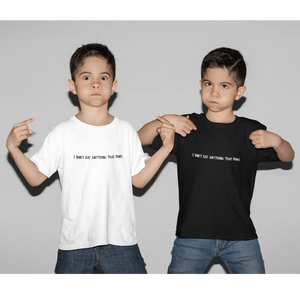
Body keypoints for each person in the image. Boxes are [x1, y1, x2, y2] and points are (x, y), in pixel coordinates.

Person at [6, 43, 175, 277]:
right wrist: (13, 148)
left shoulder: (125, 131)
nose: (95, 83)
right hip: (75, 244)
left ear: (113, 86)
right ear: (72, 86)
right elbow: (35, 178)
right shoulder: (62, 133)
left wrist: (166, 148)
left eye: (103, 77)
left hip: (121, 242)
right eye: (86, 77)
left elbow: (138, 180)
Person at [138, 47, 295, 277]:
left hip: (240, 235)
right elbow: (138, 138)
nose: (214, 92)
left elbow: (288, 156)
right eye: (208, 84)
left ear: (239, 91)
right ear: (200, 84)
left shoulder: (251, 131)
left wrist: (278, 141)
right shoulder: (186, 126)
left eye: (224, 85)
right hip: (191, 235)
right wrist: (168, 119)